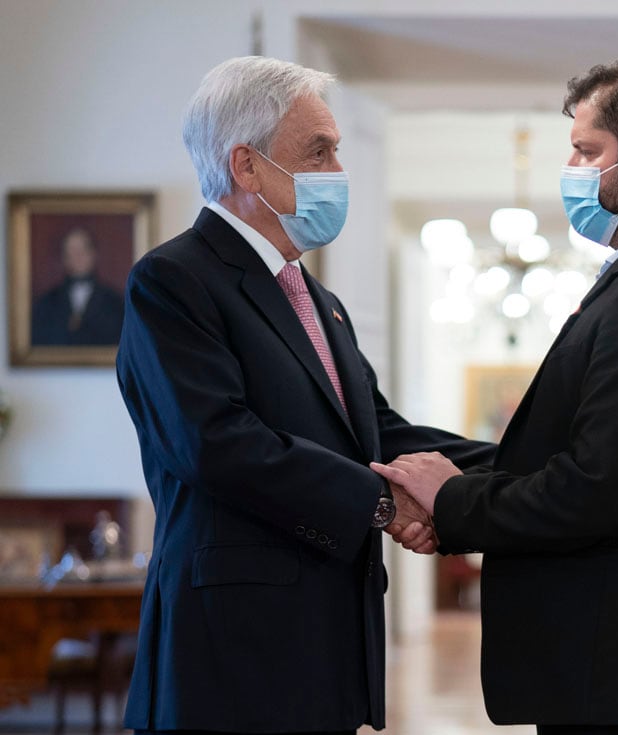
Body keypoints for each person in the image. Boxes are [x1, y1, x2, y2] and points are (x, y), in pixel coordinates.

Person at [376, 49, 618, 734]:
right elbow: (568, 455)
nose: (573, 171)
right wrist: (441, 477)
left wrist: (453, 498)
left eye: (587, 151)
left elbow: (595, 487)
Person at [115, 56, 494, 735]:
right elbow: (217, 443)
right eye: (318, 152)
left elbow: (377, 432)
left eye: (337, 151)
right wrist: (383, 502)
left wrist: (520, 465)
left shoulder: (319, 301)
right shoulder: (172, 281)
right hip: (228, 662)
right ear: (247, 166)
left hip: (324, 656)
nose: (337, 173)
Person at [31, 226, 125, 345]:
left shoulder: (115, 302)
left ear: (94, 254)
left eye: (83, 250)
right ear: (64, 258)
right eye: (72, 251)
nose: (78, 256)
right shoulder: (46, 302)